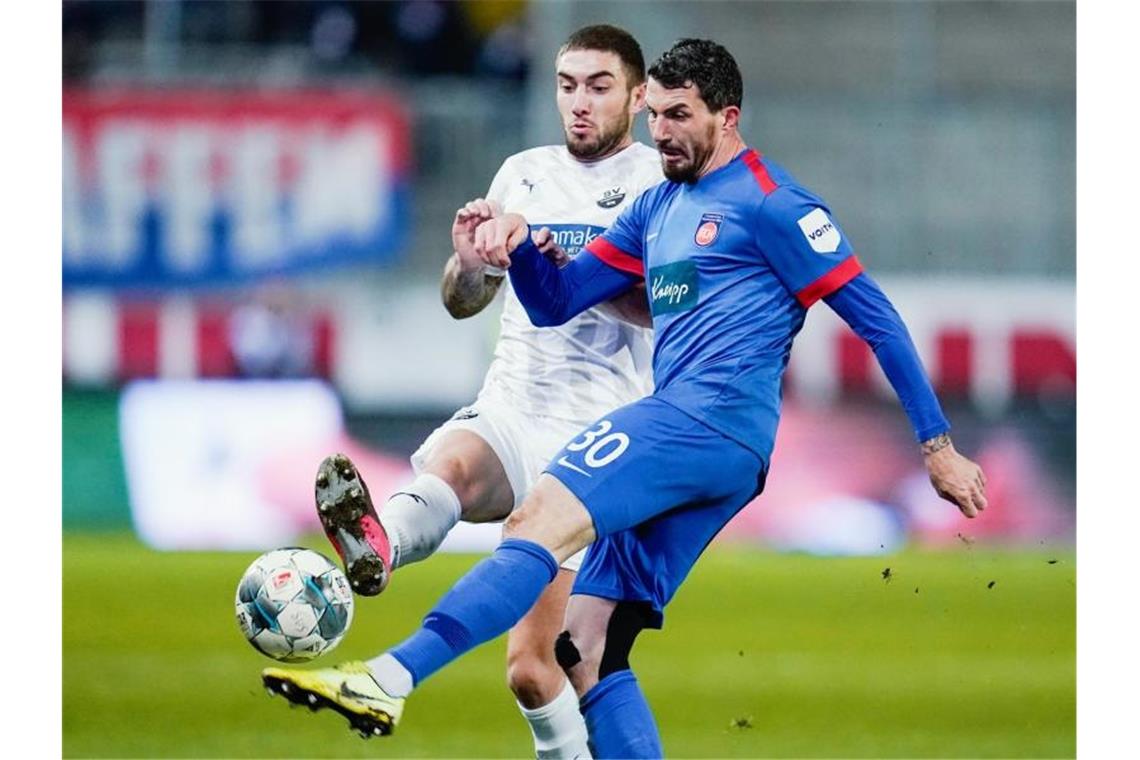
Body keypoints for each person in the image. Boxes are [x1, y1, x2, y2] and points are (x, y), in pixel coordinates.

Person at [264, 38, 988, 758]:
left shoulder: (773, 205)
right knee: (585, 646)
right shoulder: (656, 208)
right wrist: (523, 253)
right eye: (657, 118)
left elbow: (876, 318)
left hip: (705, 421)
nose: (663, 131)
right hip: (707, 444)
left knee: (536, 520)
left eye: (680, 115)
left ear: (727, 117)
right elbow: (561, 303)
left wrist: (937, 446)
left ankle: (387, 678)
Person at [265, 24, 663, 759]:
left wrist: (564, 268)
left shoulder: (656, 184)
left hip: (599, 436)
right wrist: (472, 263)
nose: (579, 103)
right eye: (567, 84)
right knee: (447, 466)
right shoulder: (522, 171)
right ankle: (379, 548)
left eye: (599, 87)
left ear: (638, 98)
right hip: (514, 402)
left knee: (535, 668)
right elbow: (462, 299)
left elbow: (659, 308)